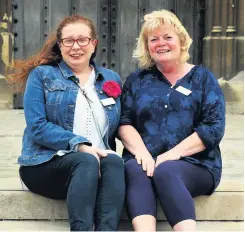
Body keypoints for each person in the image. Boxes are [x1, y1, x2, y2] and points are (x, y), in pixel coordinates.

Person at [6, 15, 125, 231]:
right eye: (68, 41)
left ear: (93, 44)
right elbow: (37, 127)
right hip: (45, 164)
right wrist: (80, 145)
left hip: (98, 164)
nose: (75, 47)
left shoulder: (110, 79)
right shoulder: (42, 76)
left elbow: (123, 123)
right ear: (60, 45)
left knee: (115, 162)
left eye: (82, 40)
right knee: (85, 161)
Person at [119, 9, 225, 231]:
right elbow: (124, 121)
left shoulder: (202, 78)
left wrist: (171, 155)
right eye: (153, 39)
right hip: (144, 159)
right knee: (135, 169)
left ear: (181, 40)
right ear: (147, 46)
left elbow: (213, 128)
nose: (161, 43)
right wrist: (142, 153)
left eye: (168, 37)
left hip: (195, 164)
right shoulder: (137, 80)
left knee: (166, 170)